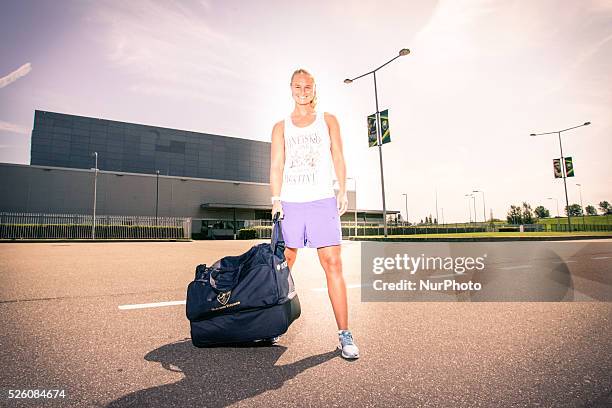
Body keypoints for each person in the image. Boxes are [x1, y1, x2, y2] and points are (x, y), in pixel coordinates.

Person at [269, 68, 359, 359]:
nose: (303, 90)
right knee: (285, 262)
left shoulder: (328, 120)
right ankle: (267, 323)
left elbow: (338, 156)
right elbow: (277, 165)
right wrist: (275, 198)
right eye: (298, 86)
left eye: (308, 86)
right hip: (292, 202)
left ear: (314, 89)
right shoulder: (281, 127)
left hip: (321, 200)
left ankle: (345, 334)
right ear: (291, 88)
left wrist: (342, 191)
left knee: (332, 262)